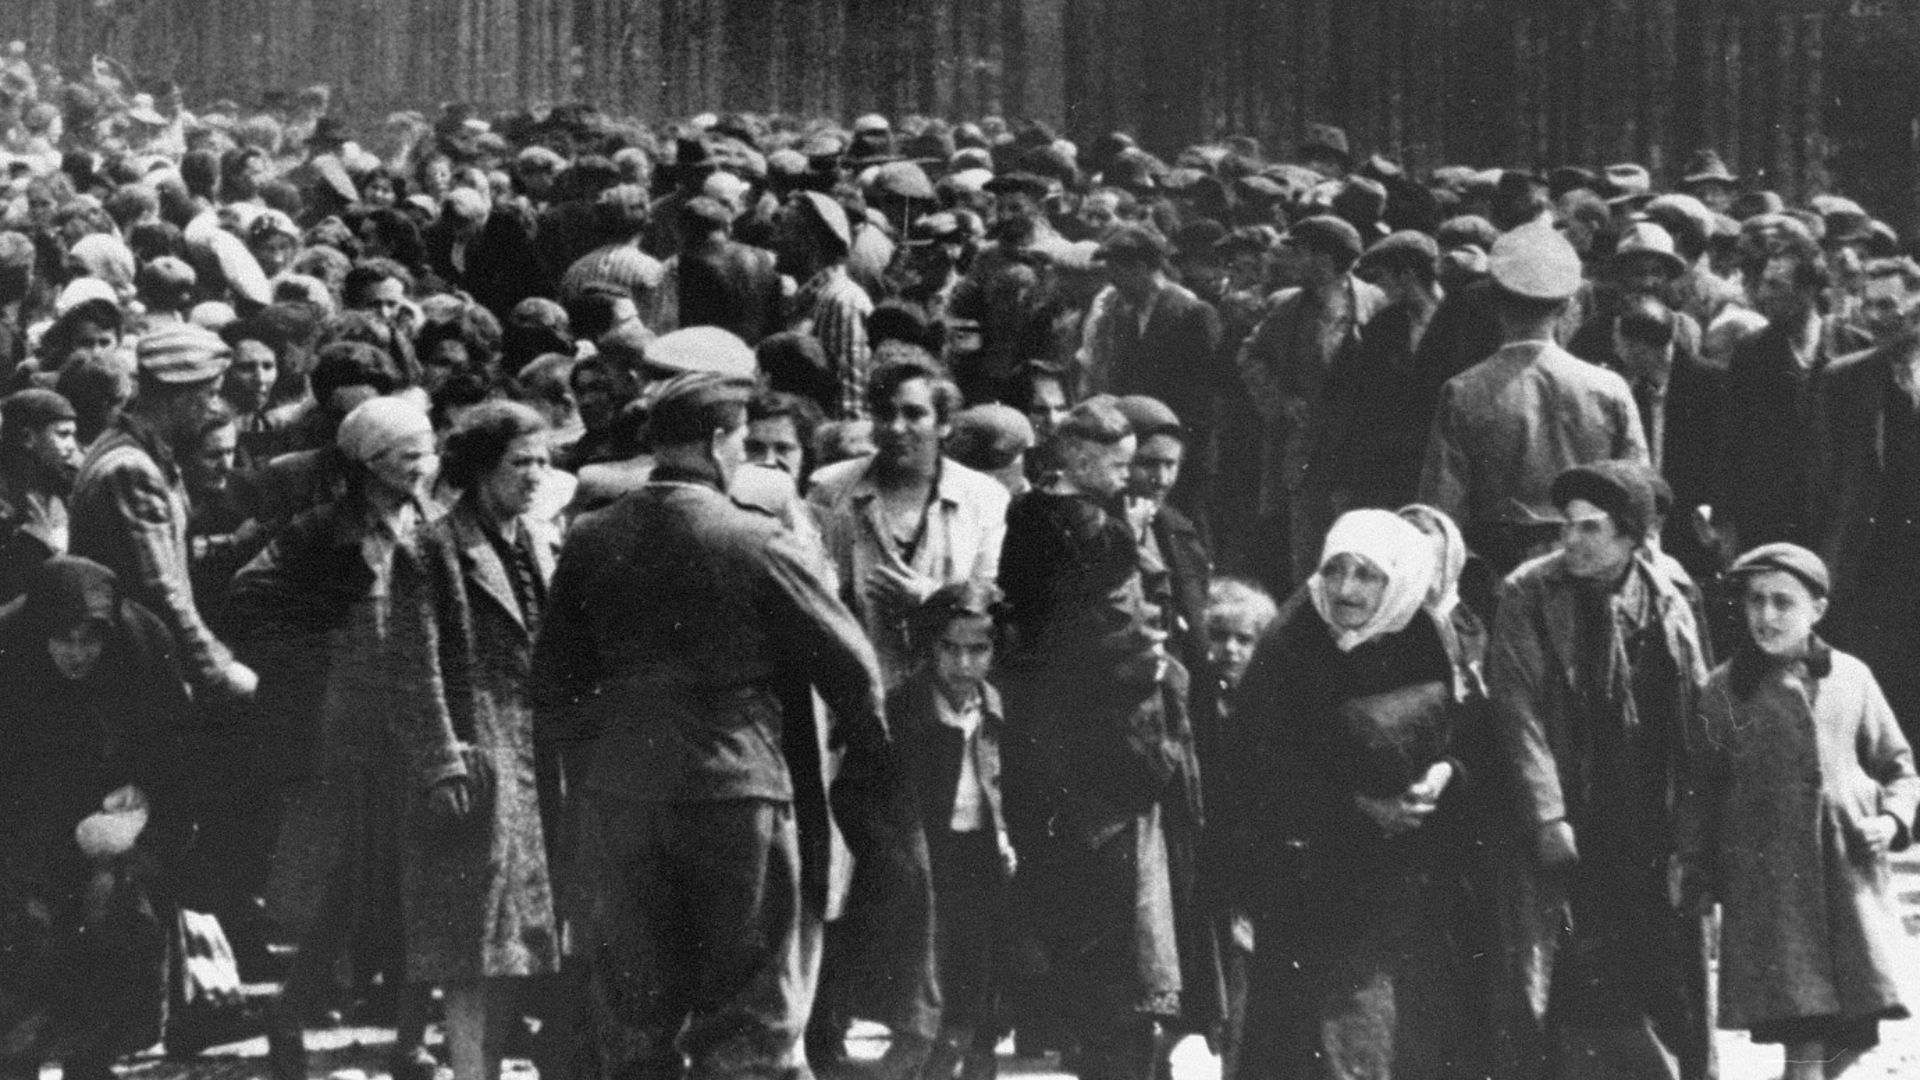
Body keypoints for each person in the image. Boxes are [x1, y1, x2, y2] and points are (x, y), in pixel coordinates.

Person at [530, 371, 891, 1080]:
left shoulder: (592, 538)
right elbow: (851, 665)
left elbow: (551, 682)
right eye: (740, 441)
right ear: (719, 441)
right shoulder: (755, 539)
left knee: (636, 1010)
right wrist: (868, 755)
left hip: (623, 794)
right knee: (747, 1010)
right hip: (737, 788)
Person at [997, 397, 1220, 1080]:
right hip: (1107, 750)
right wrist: (1145, 657)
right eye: (1122, 465)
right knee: (1119, 935)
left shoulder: (1026, 515)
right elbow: (1116, 639)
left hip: (1048, 738)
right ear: (1079, 459)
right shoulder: (1104, 533)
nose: (1131, 478)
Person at [230, 396, 445, 1080]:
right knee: (356, 881)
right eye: (410, 454)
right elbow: (249, 596)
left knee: (421, 879)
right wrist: (319, 635)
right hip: (355, 728)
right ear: (371, 463)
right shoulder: (320, 530)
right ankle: (295, 1016)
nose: (425, 464)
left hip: (425, 718)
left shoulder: (433, 521)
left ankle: (407, 1037)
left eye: (428, 449)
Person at [1486, 461, 1712, 1080]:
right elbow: (1517, 707)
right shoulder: (1530, 592)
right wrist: (1547, 814)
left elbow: (1700, 705)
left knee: (1659, 964)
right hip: (1571, 810)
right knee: (1568, 966)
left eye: (1590, 528)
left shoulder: (1671, 594)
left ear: (1631, 537)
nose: (1571, 540)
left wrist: (1698, 819)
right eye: (1567, 525)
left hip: (1648, 808)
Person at [1228, 509, 1473, 1079]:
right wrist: (1361, 808)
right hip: (1307, 872)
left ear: (1400, 580)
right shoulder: (1291, 642)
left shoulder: (1425, 637)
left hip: (1402, 878)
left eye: (1368, 575)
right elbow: (1259, 764)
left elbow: (1468, 736)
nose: (1345, 589)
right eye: (1336, 569)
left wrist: (1442, 776)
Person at [1679, 543, 1917, 1080]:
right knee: (1805, 1046)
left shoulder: (1851, 678)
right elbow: (1702, 791)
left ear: (1817, 609)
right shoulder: (1725, 690)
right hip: (1773, 901)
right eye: (1755, 600)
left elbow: (1899, 767)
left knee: (1856, 1036)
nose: (1765, 616)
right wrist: (1697, 871)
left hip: (1849, 886)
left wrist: (1891, 821)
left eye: (1782, 602)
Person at [413, 401, 563, 1080]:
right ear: (479, 469)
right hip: (476, 754)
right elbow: (412, 665)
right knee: (472, 938)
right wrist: (442, 761)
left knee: (516, 935)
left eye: (542, 462)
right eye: (519, 462)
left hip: (537, 755)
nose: (534, 476)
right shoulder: (433, 548)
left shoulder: (539, 542)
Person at [0, 556, 189, 1080]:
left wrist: (144, 793)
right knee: (25, 940)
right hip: (20, 816)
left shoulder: (142, 645)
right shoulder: (7, 649)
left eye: (91, 640)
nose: (78, 653)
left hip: (108, 820)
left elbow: (175, 747)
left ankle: (94, 1058)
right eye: (63, 639)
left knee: (111, 928)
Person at [1419, 225, 1649, 574]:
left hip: (1499, 570)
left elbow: (1441, 513)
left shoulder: (1463, 392)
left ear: (1494, 302)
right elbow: (1641, 498)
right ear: (1568, 306)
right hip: (1593, 566)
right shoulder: (1609, 388)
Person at [71, 322, 257, 702]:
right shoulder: (131, 468)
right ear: (180, 397)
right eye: (210, 394)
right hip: (134, 670)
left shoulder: (132, 448)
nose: (213, 407)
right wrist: (216, 669)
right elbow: (160, 587)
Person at [809, 360, 1010, 688]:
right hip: (857, 686)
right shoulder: (830, 490)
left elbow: (991, 603)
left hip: (943, 689)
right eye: (885, 414)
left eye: (914, 414)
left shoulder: (984, 498)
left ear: (943, 424)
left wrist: (934, 599)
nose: (896, 427)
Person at [890, 582, 1020, 1080]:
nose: (963, 664)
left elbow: (1012, 782)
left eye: (978, 650)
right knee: (928, 976)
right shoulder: (905, 705)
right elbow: (865, 789)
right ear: (930, 646)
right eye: (950, 648)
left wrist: (1007, 835)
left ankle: (976, 1060)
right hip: (926, 856)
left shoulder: (997, 706)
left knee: (979, 971)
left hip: (981, 854)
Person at [1236, 215, 1387, 589]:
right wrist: (1280, 400)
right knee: (1309, 561)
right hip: (1307, 457)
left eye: (1300, 252)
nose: (1291, 261)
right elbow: (1250, 356)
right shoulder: (1288, 309)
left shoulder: (1377, 304)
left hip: (1361, 455)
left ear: (1325, 259)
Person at [1813, 256, 1920, 741]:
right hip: (1871, 565)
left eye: (1888, 306)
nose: (1875, 318)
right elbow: (1824, 482)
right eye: (1868, 305)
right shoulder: (1843, 379)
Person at [778, 191, 874, 420]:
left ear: (809, 242)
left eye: (783, 232)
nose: (775, 240)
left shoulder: (842, 301)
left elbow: (850, 404)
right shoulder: (809, 298)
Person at [0, 388, 80, 600]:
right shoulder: (6, 501)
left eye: (73, 436)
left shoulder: (66, 487)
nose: (72, 447)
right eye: (63, 434)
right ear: (27, 437)